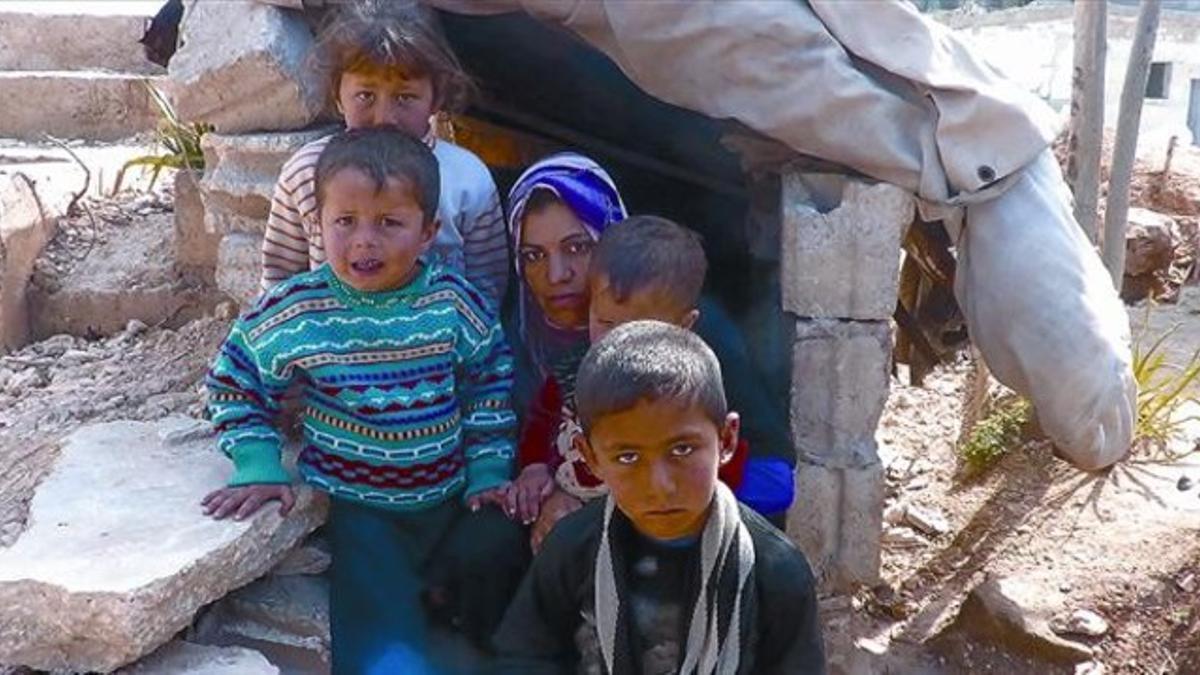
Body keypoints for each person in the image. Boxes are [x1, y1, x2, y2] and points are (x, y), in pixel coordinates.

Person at [202, 128, 526, 674]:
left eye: (389, 223)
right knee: (383, 652)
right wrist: (257, 461)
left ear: (429, 233)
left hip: (454, 501)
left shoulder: (454, 304)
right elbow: (234, 380)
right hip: (363, 512)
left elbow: (489, 386)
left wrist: (488, 470)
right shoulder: (296, 310)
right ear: (318, 224)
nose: (363, 242)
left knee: (487, 632)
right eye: (345, 222)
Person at [493, 321, 826, 674]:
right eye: (627, 457)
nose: (659, 485)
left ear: (726, 440)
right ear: (590, 458)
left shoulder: (773, 571)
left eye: (682, 449)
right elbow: (524, 657)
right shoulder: (573, 549)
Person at [259, 0, 508, 309]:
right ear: (338, 95)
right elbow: (279, 281)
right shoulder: (306, 173)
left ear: (435, 99)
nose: (384, 117)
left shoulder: (468, 179)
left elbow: (488, 290)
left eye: (405, 97)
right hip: (331, 352)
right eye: (365, 96)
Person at [586, 215, 795, 526]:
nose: (618, 341)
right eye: (605, 323)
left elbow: (778, 477)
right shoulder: (590, 363)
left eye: (638, 329)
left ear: (684, 326)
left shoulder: (720, 365)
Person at [502, 152, 628, 548]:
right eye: (533, 256)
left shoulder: (677, 322)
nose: (556, 275)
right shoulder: (508, 340)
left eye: (576, 248)